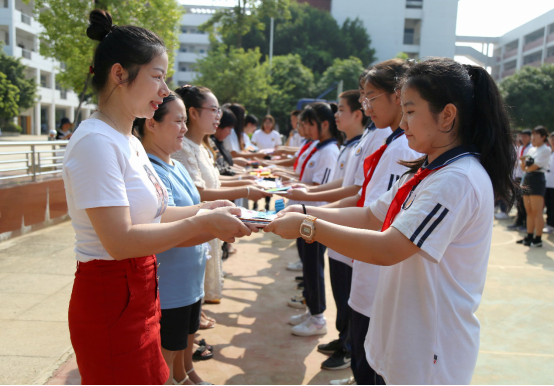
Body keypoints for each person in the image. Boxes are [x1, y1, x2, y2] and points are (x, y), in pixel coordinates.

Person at [266, 57, 518, 385]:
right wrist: (305, 213)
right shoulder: (429, 169)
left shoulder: (457, 180)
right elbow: (371, 215)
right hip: (405, 338)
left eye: (411, 111)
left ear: (447, 115)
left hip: (429, 352)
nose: (403, 122)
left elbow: (388, 249)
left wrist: (308, 227)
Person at [63, 10, 255, 385]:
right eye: (157, 76)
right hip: (110, 295)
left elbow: (157, 214)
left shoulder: (128, 141)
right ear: (119, 74)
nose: (166, 90)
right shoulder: (94, 142)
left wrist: (206, 209)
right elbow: (119, 241)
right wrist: (203, 223)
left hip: (142, 291)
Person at [134, 92, 213, 385]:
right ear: (151, 124)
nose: (184, 127)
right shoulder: (150, 169)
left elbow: (194, 208)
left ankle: (186, 373)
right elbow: (164, 220)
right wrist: (213, 221)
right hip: (170, 283)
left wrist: (213, 214)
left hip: (191, 275)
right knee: (166, 351)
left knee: (187, 337)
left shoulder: (175, 165)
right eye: (178, 121)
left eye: (184, 120)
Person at [172, 85, 272, 304]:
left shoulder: (203, 147)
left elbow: (215, 180)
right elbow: (200, 192)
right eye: (214, 110)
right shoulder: (182, 148)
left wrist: (247, 181)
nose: (218, 116)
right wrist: (246, 189)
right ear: (194, 113)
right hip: (196, 225)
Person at [286, 102, 342, 337]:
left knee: (314, 266)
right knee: (308, 266)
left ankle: (318, 317)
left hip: (315, 216)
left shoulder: (329, 151)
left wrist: (292, 187)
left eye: (310, 124)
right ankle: (311, 310)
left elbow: (319, 187)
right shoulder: (319, 148)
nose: (306, 129)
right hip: (305, 214)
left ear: (324, 124)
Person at [517, 125, 551, 247]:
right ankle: (529, 236)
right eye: (533, 135)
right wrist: (522, 162)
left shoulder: (545, 150)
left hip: (537, 179)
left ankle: (538, 239)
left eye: (536, 135)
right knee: (529, 211)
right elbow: (524, 167)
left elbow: (532, 167)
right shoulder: (532, 149)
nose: (533, 138)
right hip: (528, 178)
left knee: (537, 211)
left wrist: (525, 165)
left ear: (543, 137)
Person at [508, 129, 532, 230]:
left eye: (525, 136)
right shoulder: (521, 147)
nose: (523, 138)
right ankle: (519, 221)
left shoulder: (531, 148)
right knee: (518, 200)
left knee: (525, 202)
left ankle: (525, 223)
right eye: (522, 136)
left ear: (530, 137)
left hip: (525, 176)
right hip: (518, 175)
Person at [544, 132, 554, 234]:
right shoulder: (549, 152)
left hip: (553, 184)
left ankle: (551, 224)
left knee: (552, 205)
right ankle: (549, 223)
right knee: (548, 204)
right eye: (552, 139)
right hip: (547, 183)